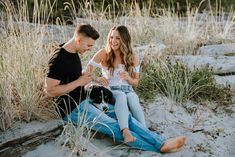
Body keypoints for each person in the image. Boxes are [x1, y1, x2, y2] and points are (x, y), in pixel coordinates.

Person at [44, 23, 186, 153]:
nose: (90, 50)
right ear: (79, 40)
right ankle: (158, 148)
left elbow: (74, 76)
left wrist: (91, 79)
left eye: (92, 46)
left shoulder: (73, 52)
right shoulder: (59, 59)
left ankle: (161, 142)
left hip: (84, 100)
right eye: (88, 46)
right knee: (114, 126)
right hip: (72, 108)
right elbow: (49, 90)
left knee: (127, 118)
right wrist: (78, 83)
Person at [86, 25, 146, 143]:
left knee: (132, 98)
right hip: (111, 89)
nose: (113, 41)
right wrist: (97, 78)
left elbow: (136, 82)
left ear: (125, 39)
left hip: (128, 89)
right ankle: (125, 131)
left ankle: (144, 130)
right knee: (122, 96)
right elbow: (86, 71)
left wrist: (128, 77)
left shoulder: (132, 56)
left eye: (118, 38)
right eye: (111, 37)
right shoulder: (104, 53)